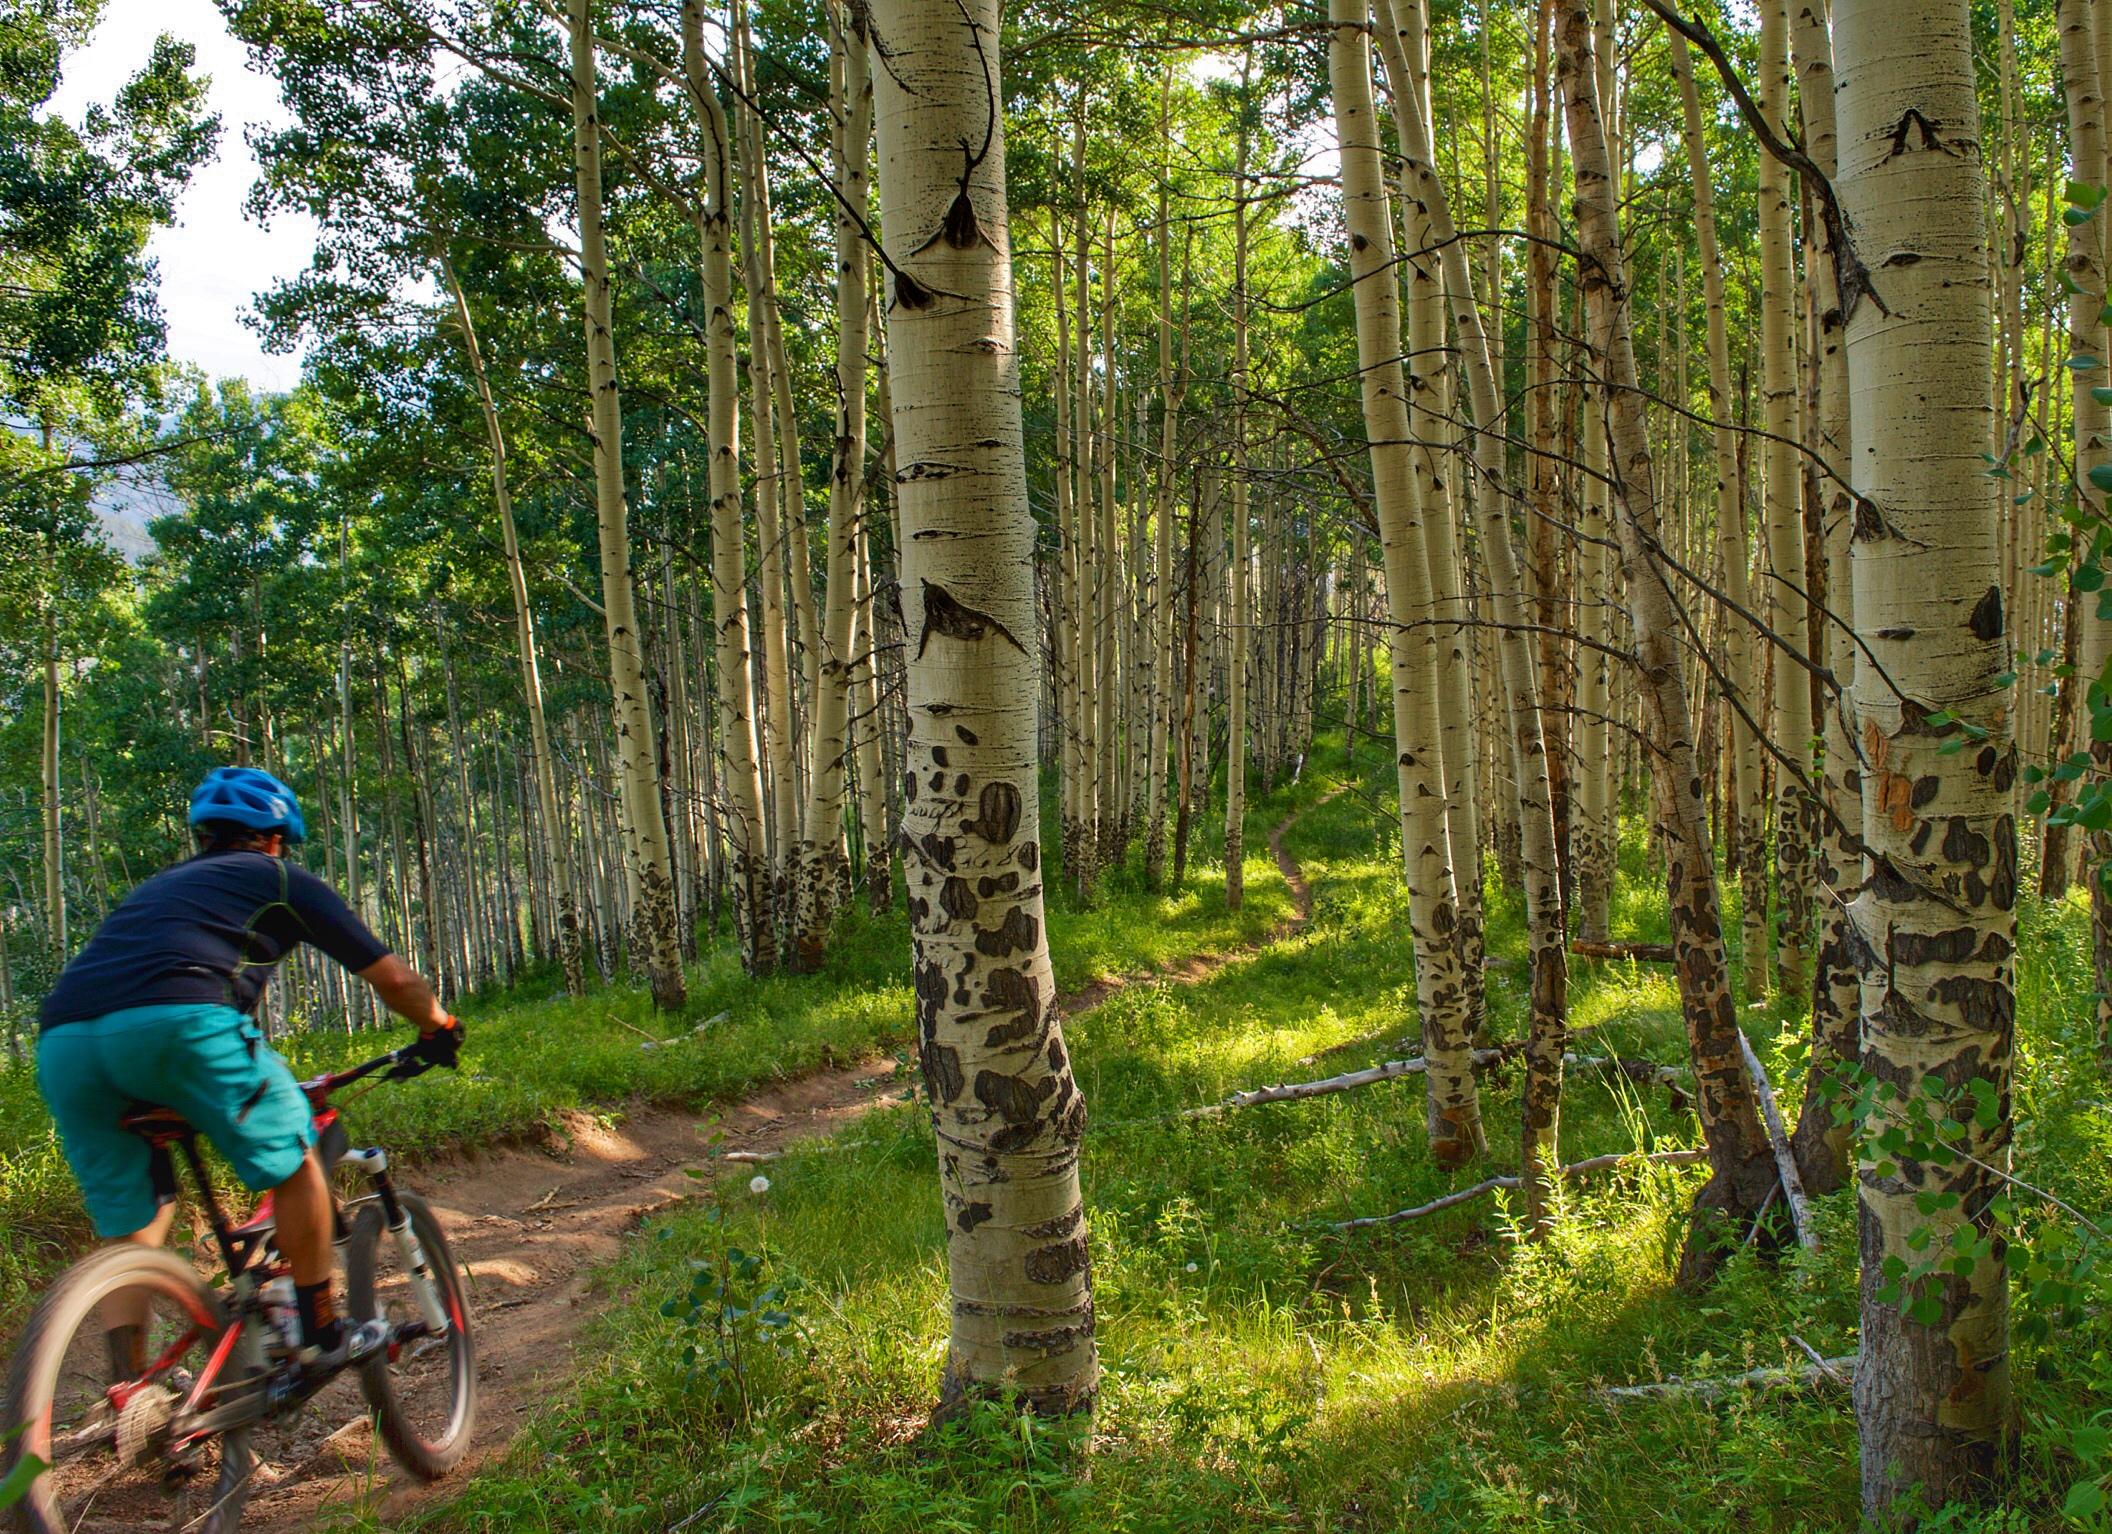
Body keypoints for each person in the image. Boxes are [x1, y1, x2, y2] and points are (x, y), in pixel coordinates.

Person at [36, 766, 464, 1382]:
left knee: (138, 1228)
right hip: (178, 1028)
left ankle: (131, 1390)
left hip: (65, 1045)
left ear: (205, 837)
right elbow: (396, 981)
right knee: (298, 1156)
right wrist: (439, 1026)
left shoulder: (159, 887)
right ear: (275, 838)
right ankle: (321, 1335)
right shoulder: (281, 879)